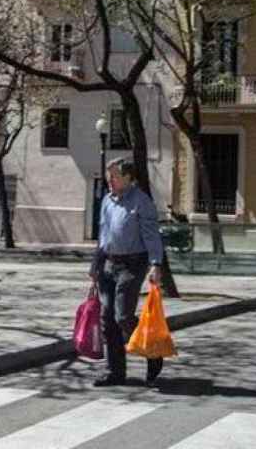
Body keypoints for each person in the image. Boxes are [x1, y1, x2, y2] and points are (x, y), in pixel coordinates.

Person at [89, 158, 165, 387]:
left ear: (129, 178)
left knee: (122, 316)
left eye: (115, 176)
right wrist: (95, 266)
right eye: (108, 175)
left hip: (133, 265)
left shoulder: (141, 202)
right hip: (108, 264)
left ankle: (152, 353)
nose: (109, 180)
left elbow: (151, 234)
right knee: (107, 318)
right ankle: (115, 372)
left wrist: (156, 264)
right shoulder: (107, 202)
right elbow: (103, 236)